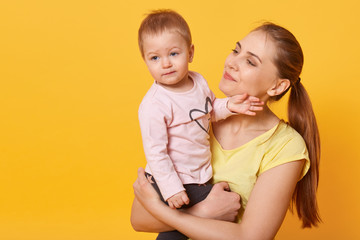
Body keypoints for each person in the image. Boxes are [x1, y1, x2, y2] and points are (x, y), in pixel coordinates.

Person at [131, 21, 321, 240]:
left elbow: (252, 237)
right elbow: (138, 219)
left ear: (277, 86)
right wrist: (204, 211)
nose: (232, 63)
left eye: (250, 61)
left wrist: (166, 212)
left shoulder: (286, 147)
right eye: (236, 50)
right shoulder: (196, 114)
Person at [137, 9, 264, 240]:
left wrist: (230, 106)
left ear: (191, 52)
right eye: (155, 58)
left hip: (198, 175)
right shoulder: (154, 105)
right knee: (175, 232)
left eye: (174, 53)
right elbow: (156, 152)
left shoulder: (199, 81)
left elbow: (208, 111)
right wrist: (171, 188)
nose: (165, 64)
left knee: (197, 227)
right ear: (145, 60)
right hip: (171, 178)